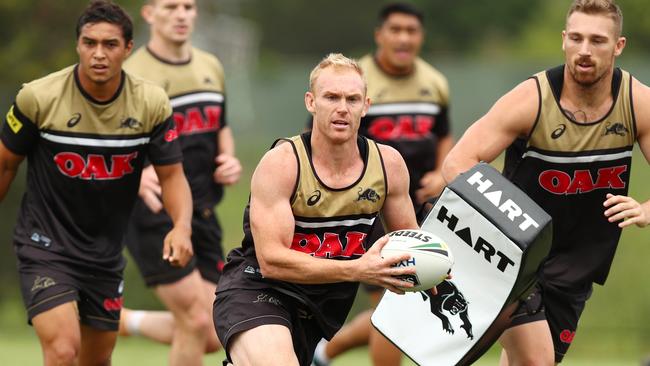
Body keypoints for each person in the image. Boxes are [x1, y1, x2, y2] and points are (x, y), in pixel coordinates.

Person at [441, 0, 650, 364]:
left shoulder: (636, 102)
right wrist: (507, 222)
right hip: (514, 259)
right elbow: (457, 163)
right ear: (564, 40)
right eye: (577, 38)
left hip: (577, 267)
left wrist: (647, 210)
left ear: (618, 46)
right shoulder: (532, 99)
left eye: (598, 41)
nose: (585, 50)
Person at [0, 1, 193, 365]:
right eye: (89, 43)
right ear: (78, 46)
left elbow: (172, 176)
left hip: (104, 254)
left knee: (96, 360)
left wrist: (181, 227)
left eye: (109, 44)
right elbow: (6, 164)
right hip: (46, 246)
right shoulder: (39, 98)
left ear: (128, 49)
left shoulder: (150, 104)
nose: (98, 54)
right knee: (62, 351)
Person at [212, 53, 428, 366]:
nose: (342, 108)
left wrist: (435, 269)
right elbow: (272, 261)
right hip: (257, 290)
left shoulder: (388, 165)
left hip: (319, 309)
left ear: (365, 106)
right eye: (331, 97)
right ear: (311, 102)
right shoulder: (283, 163)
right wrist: (357, 269)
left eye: (352, 99)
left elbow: (408, 244)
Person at [311, 4, 452, 366]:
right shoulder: (352, 82)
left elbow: (444, 136)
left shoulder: (434, 83)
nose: (404, 38)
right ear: (380, 35)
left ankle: (324, 353)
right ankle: (325, 351)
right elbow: (321, 140)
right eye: (396, 30)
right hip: (369, 208)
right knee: (394, 305)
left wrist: (441, 171)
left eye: (412, 31)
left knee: (404, 305)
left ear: (420, 37)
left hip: (420, 205)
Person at [117, 0, 241, 364]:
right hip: (155, 210)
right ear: (149, 13)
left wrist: (229, 158)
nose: (182, 14)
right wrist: (137, 174)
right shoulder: (133, 72)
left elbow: (222, 126)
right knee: (196, 319)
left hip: (202, 210)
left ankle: (112, 319)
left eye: (188, 6)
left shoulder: (210, 65)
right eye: (171, 6)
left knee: (215, 329)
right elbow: (111, 138)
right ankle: (109, 319)